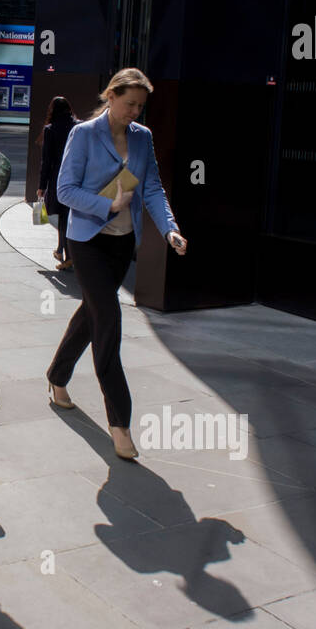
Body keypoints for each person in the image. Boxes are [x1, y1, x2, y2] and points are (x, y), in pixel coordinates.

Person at [45, 67, 188, 459]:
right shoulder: (84, 134)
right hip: (87, 241)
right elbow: (65, 190)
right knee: (108, 320)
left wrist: (169, 229)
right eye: (129, 104)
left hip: (122, 244)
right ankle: (120, 422)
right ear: (110, 96)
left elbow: (153, 188)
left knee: (91, 315)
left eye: (140, 107)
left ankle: (57, 377)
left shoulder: (143, 139)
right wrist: (106, 203)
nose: (134, 113)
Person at [37, 96, 79, 271]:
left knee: (62, 215)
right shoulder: (78, 126)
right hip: (77, 176)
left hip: (58, 177)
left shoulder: (51, 129)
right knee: (69, 215)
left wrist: (42, 186)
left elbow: (46, 160)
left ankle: (66, 254)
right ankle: (63, 251)